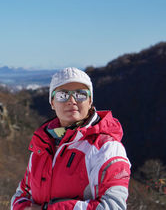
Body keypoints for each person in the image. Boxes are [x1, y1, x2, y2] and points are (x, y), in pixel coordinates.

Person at [11, 67, 131, 210]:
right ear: (52, 103)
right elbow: (22, 193)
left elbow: (113, 206)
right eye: (62, 95)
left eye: (80, 94)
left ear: (90, 101)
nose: (72, 101)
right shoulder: (43, 145)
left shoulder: (106, 148)